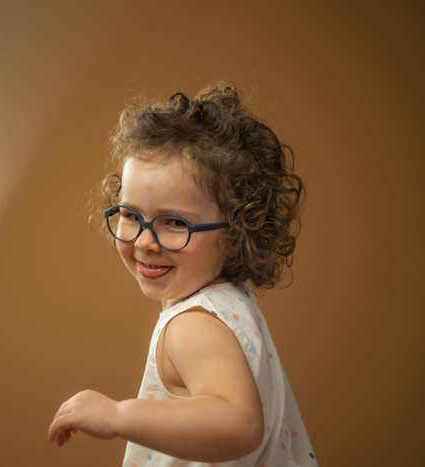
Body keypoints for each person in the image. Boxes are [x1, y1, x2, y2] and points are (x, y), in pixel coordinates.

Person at [47, 82, 319, 466]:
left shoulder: (192, 326)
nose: (145, 241)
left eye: (174, 222)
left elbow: (239, 424)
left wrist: (118, 416)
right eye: (130, 215)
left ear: (238, 229)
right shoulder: (230, 300)